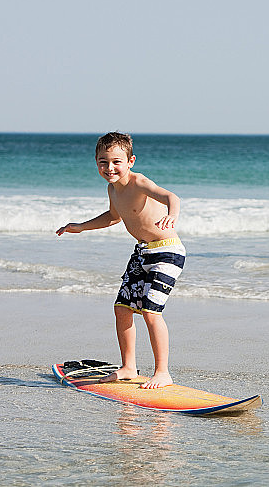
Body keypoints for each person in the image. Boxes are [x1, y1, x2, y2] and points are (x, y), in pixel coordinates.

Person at [56, 131, 184, 389]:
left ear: (131, 161)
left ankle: (162, 372)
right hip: (142, 253)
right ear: (96, 162)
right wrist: (81, 227)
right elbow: (113, 217)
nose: (110, 167)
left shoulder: (139, 183)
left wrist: (172, 215)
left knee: (150, 312)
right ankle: (128, 367)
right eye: (103, 162)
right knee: (122, 309)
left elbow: (172, 197)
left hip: (167, 252)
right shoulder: (112, 189)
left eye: (116, 161)